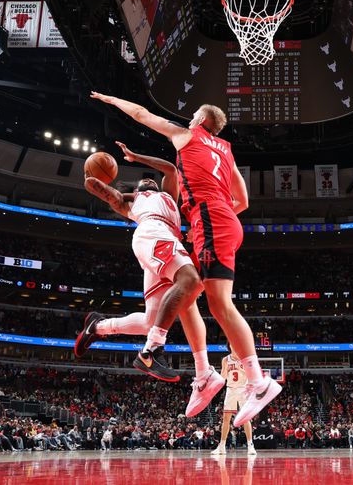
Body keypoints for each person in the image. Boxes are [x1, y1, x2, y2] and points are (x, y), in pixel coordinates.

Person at [91, 92, 280, 426]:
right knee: (187, 293)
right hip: (221, 220)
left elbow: (141, 112)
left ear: (202, 121)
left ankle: (258, 382)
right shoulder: (226, 150)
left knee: (220, 305)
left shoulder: (190, 135)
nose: (189, 118)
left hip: (211, 220)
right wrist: (205, 224)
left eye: (194, 115)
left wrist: (111, 100)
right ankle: (204, 373)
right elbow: (244, 200)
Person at [75, 142, 224, 417]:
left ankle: (98, 326)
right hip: (152, 233)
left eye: (149, 180)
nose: (147, 179)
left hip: (165, 240)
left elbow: (169, 168)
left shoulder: (169, 194)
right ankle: (153, 352)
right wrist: (95, 178)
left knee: (154, 319)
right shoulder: (133, 202)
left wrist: (135, 155)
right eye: (142, 182)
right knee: (191, 282)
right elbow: (97, 188)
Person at [211, 343, 256, 455]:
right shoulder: (226, 360)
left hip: (243, 389)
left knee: (245, 418)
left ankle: (250, 446)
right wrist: (213, 374)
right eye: (232, 343)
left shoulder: (245, 358)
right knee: (226, 419)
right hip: (231, 389)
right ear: (229, 346)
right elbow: (223, 377)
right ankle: (221, 446)